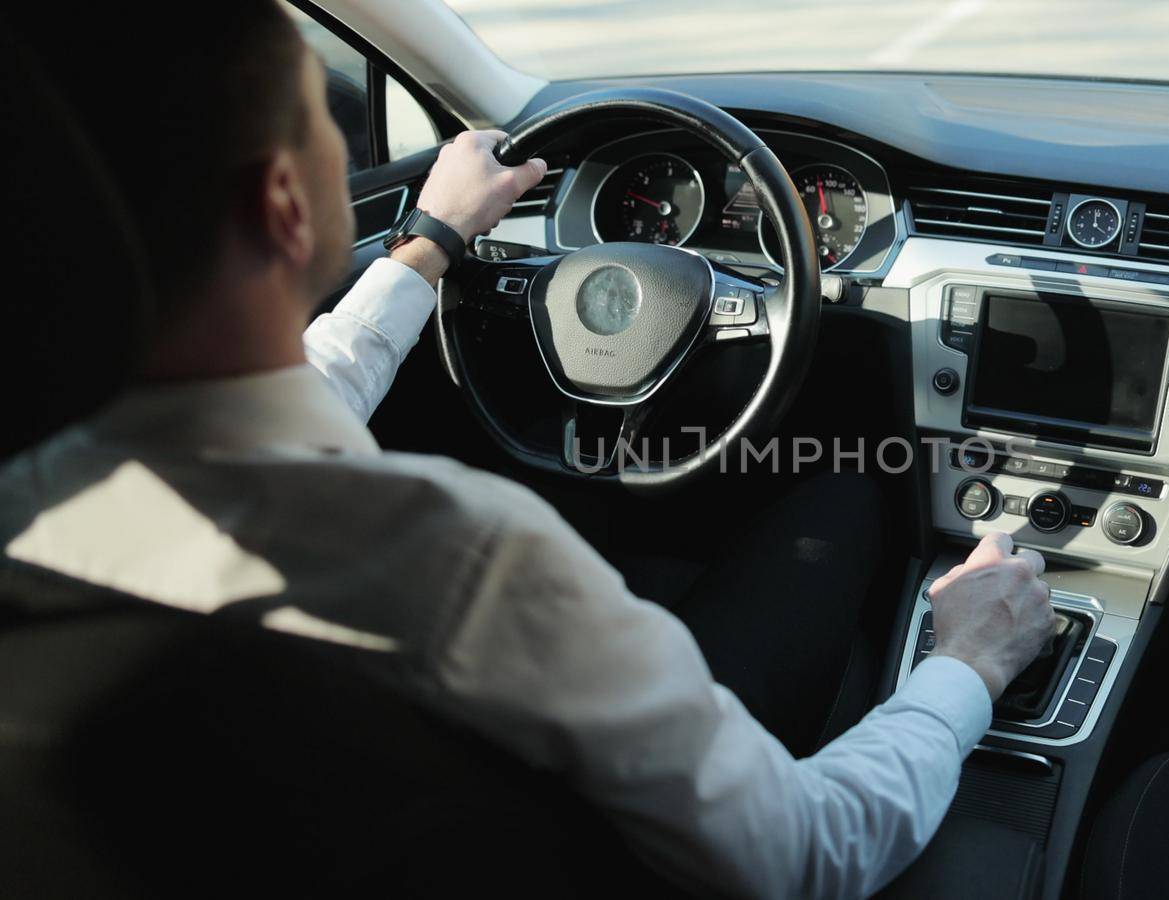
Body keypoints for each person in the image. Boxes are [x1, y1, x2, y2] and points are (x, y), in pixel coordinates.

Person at [0, 3, 1055, 896]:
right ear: (285, 203)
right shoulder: (458, 558)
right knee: (849, 487)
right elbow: (808, 853)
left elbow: (298, 389)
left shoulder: (40, 499)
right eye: (328, 123)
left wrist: (433, 243)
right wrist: (966, 663)